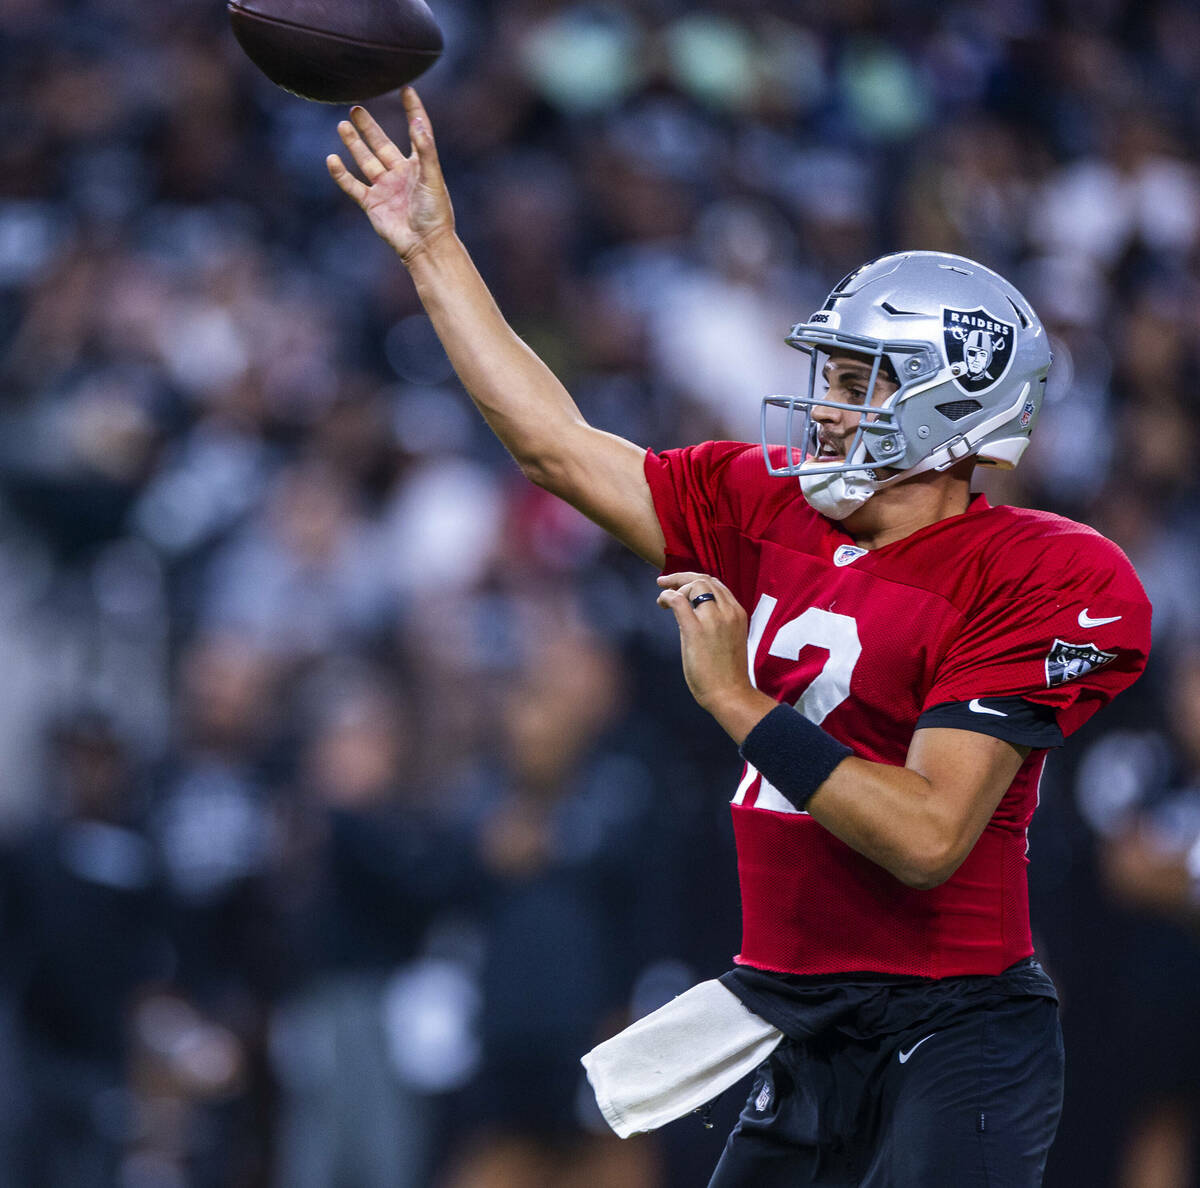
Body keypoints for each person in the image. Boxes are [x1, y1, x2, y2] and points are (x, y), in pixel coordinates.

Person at [326, 92, 1152, 1187]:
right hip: (798, 1020)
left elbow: (926, 833)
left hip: (952, 1033)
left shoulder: (1042, 571)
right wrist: (434, 249)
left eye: (861, 384)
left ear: (954, 409)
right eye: (831, 374)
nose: (823, 406)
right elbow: (557, 450)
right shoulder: (767, 506)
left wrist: (738, 704)